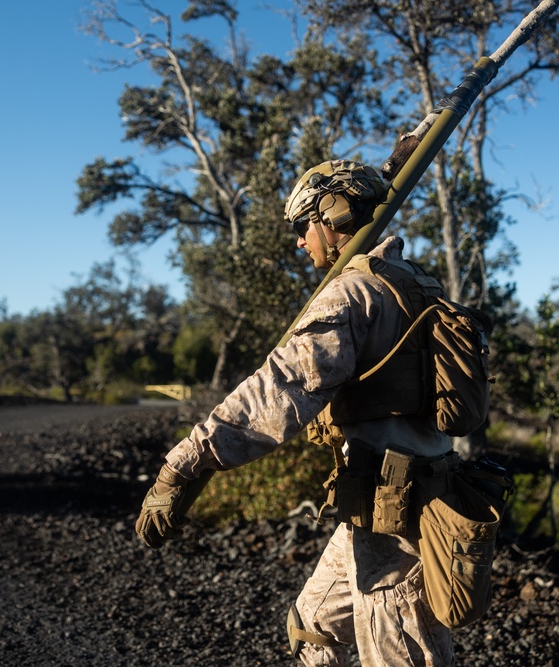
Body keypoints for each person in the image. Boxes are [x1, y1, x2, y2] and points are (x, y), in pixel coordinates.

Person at [135, 159, 457, 666]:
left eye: (303, 226)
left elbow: (278, 393)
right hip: (386, 502)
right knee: (314, 632)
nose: (300, 242)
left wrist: (184, 464)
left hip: (398, 518)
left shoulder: (354, 292)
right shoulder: (416, 283)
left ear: (333, 216)